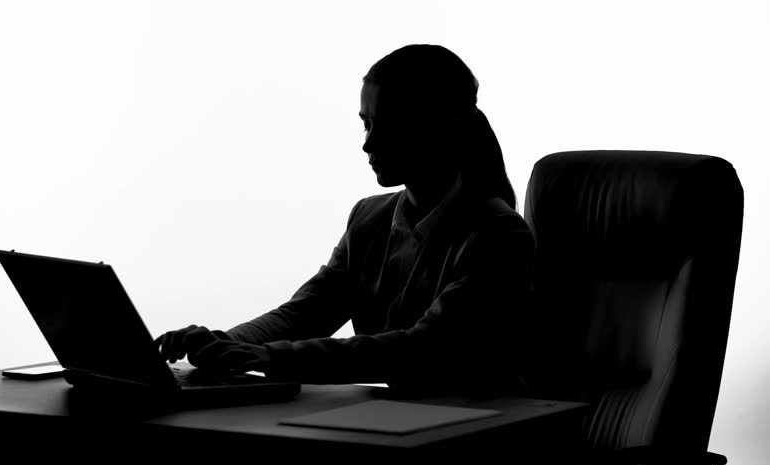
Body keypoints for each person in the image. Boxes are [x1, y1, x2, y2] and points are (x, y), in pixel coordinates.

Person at [155, 44, 535, 397]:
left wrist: (269, 358)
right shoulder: (368, 219)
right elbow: (306, 313)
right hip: (397, 422)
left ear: (434, 126)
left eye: (386, 124)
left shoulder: (500, 234)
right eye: (366, 124)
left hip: (486, 428)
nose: (368, 144)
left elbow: (422, 348)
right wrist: (222, 344)